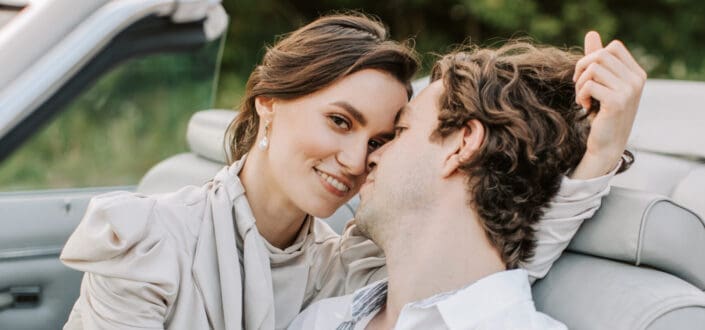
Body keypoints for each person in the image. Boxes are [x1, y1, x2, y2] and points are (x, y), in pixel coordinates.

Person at [59, 11, 644, 330]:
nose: (360, 158)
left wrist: (601, 151)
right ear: (269, 104)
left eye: (386, 137)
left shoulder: (344, 272)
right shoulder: (144, 243)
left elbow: (475, 259)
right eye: (340, 121)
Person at [288, 33, 646, 329]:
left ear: (463, 144)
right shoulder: (321, 317)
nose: (368, 158)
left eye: (399, 131)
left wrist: (603, 154)